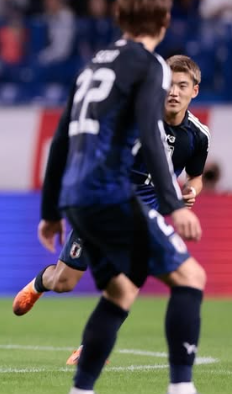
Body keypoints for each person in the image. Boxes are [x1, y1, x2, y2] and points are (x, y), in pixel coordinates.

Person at [38, 0, 231, 394]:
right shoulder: (151, 66)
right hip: (111, 192)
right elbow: (150, 129)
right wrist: (171, 205)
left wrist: (50, 210)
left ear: (121, 17)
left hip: (76, 196)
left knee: (121, 291)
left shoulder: (93, 67)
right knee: (191, 279)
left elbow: (61, 140)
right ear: (163, 23)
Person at [13, 55, 211, 364]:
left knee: (129, 282)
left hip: (145, 210)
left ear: (194, 91)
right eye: (169, 84)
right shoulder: (136, 117)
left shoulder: (198, 135)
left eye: (182, 86)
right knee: (64, 282)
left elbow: (196, 176)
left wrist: (190, 192)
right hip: (103, 200)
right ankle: (40, 283)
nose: (173, 92)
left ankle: (90, 349)